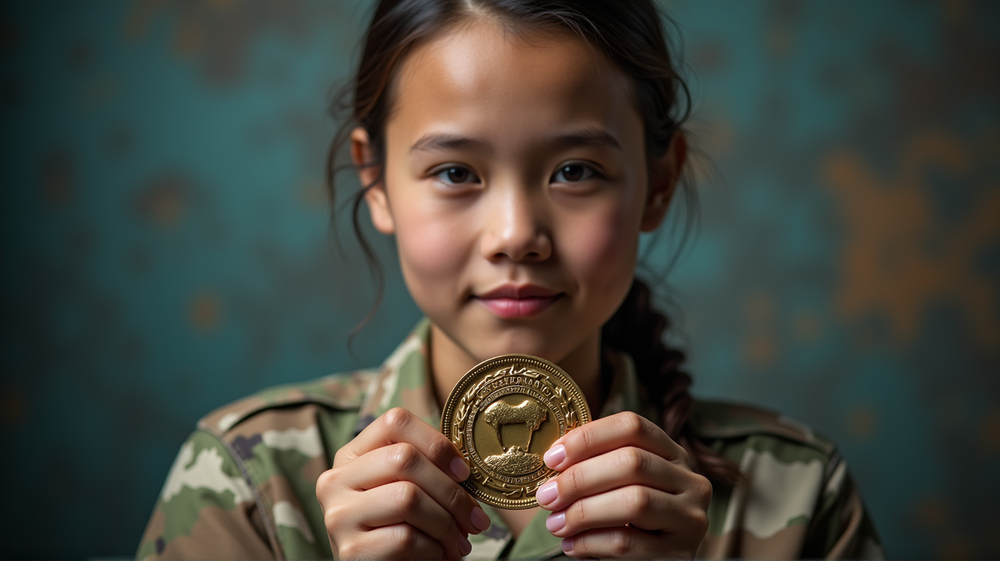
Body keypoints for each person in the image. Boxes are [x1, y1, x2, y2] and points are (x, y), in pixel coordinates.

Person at [137, 0, 883, 559]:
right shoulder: (247, 479)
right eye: (456, 172)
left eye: (575, 171)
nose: (516, 233)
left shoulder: (796, 491)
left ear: (658, 183)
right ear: (377, 180)